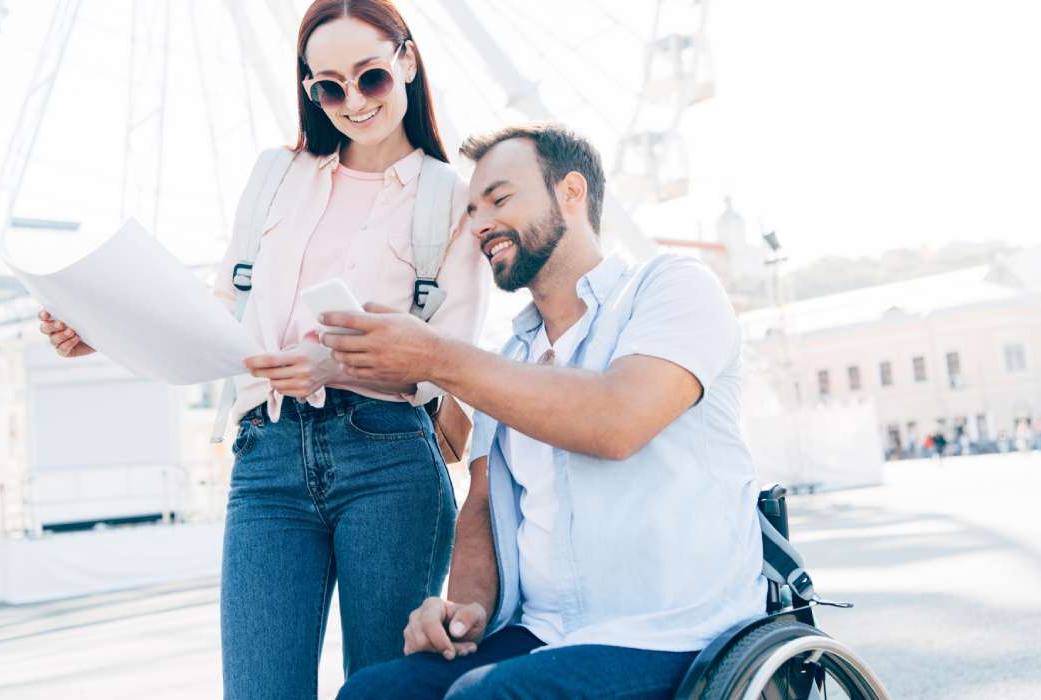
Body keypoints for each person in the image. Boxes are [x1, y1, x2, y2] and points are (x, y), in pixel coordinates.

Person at [38, 0, 489, 694]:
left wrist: (332, 363)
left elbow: (449, 356)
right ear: (310, 89)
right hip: (267, 455)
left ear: (406, 59)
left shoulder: (449, 197)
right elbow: (223, 311)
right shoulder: (276, 176)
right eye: (328, 87)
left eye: (368, 77)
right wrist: (102, 333)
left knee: (386, 689)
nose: (352, 103)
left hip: (388, 457)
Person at [321, 122, 767, 700]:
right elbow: (481, 503)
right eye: (472, 210)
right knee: (373, 693)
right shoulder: (511, 359)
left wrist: (435, 355)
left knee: (488, 697)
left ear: (572, 193)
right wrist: (467, 609)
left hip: (675, 632)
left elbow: (616, 421)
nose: (480, 223)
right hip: (544, 633)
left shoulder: (673, 289)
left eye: (500, 199)